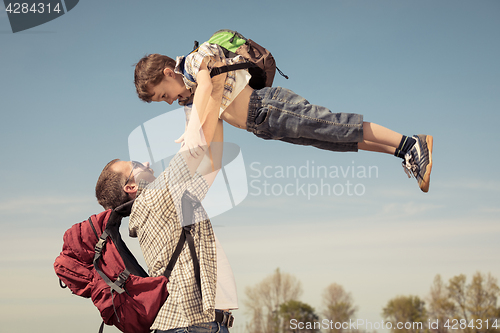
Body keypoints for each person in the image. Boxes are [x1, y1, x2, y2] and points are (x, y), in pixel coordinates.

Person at [133, 42, 433, 192]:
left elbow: (206, 85)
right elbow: (213, 144)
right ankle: (402, 151)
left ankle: (411, 142)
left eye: (163, 94)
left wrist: (193, 127)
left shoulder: (198, 59)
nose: (168, 101)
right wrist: (200, 185)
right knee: (331, 139)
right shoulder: (194, 98)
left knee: (334, 125)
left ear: (168, 73)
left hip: (269, 106)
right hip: (264, 126)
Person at [95, 74, 237, 332]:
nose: (146, 163)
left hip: (188, 324)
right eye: (136, 166)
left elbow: (213, 157)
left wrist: (210, 100)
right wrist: (196, 89)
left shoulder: (165, 201)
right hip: (191, 325)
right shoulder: (159, 195)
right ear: (131, 187)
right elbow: (198, 144)